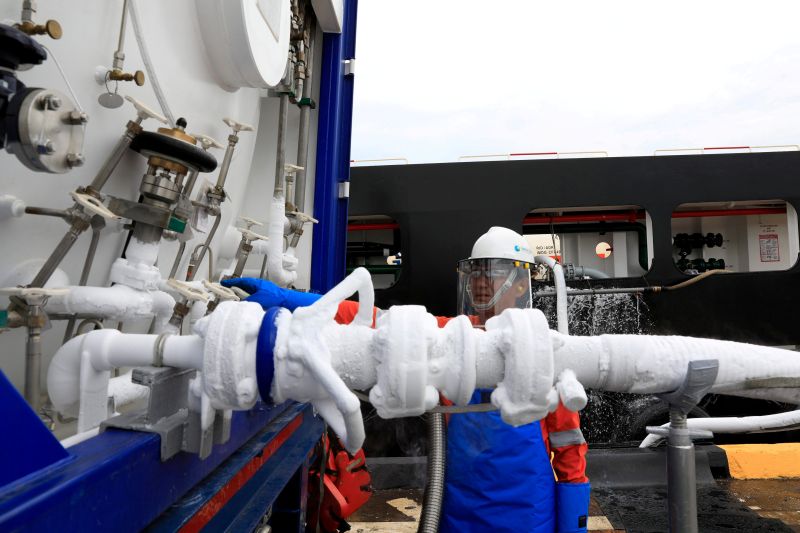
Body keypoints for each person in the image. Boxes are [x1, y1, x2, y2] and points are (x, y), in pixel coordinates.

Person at [222, 226, 590, 533]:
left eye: (493, 271)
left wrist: (573, 522)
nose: (481, 282)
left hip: (527, 513)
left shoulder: (544, 350)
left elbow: (569, 444)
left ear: (521, 283)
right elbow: (374, 320)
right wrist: (291, 300)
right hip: (460, 507)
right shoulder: (450, 336)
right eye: (476, 271)